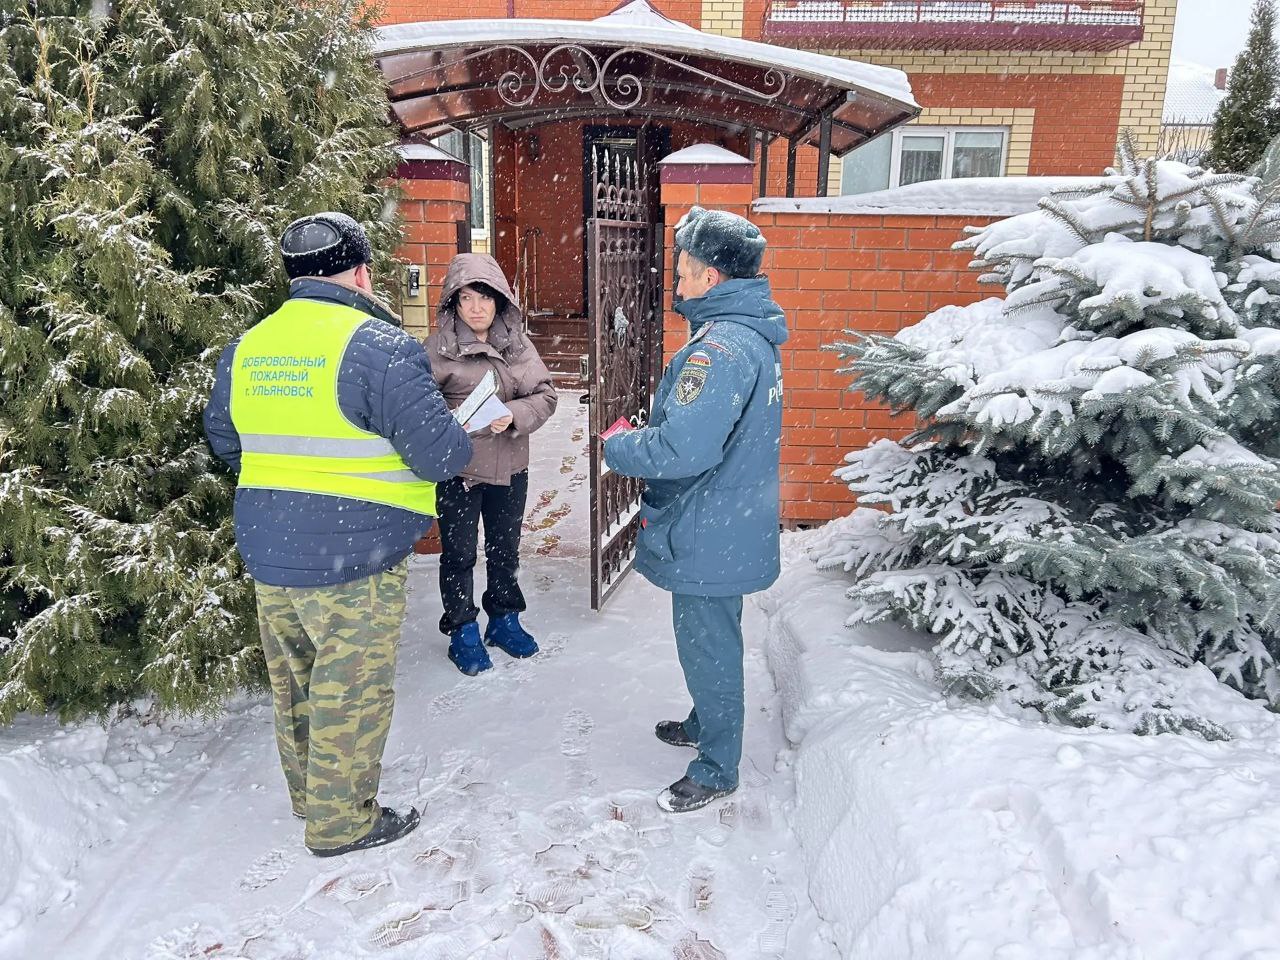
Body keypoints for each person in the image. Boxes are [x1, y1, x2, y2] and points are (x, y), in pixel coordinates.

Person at [203, 212, 472, 857]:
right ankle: (342, 822)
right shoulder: (381, 348)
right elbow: (440, 456)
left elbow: (224, 438)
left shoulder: (248, 347)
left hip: (272, 546)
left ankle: (310, 797)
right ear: (360, 274)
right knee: (350, 689)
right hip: (356, 556)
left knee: (296, 682)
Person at [603, 206, 786, 814]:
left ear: (710, 277)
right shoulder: (746, 336)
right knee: (710, 637)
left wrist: (620, 445)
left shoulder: (720, 350)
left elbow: (684, 447)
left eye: (682, 269)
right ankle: (707, 720)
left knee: (707, 642)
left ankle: (717, 765)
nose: (675, 281)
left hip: (712, 525)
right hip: (727, 519)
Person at [425, 253, 558, 676]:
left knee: (505, 551)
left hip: (509, 467)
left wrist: (514, 414)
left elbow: (545, 395)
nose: (477, 308)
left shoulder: (517, 345)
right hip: (459, 472)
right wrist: (448, 421)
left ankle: (503, 618)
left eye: (485, 297)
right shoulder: (438, 350)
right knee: (459, 554)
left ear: (500, 301)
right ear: (454, 303)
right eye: (466, 299)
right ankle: (462, 627)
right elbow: (418, 408)